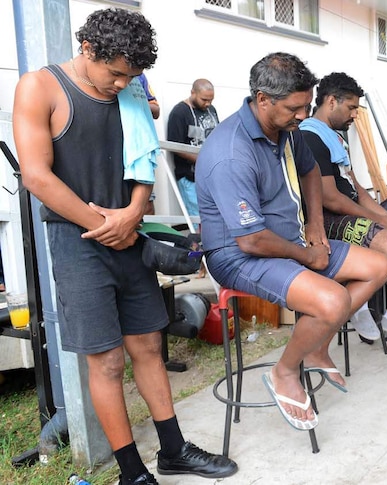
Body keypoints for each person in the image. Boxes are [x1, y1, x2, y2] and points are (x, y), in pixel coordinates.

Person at [12, 9, 237, 484]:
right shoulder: (41, 87)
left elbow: (143, 156)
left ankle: (173, 450)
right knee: (108, 359)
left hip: (129, 234)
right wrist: (106, 224)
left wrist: (135, 212)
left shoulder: (131, 91)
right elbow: (35, 175)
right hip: (77, 242)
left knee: (148, 346)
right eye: (115, 73)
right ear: (88, 49)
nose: (122, 84)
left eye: (130, 76)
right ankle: (132, 473)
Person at [196, 53, 387, 428]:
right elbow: (251, 240)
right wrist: (307, 255)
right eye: (294, 108)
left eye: (306, 105)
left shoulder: (287, 130)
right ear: (262, 98)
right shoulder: (231, 153)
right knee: (332, 301)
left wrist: (316, 226)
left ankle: (315, 347)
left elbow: (312, 171)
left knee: (378, 265)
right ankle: (284, 371)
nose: (303, 115)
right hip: (239, 255)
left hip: (292, 241)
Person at [300, 72, 387, 344]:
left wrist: (386, 216)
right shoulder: (310, 138)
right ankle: (354, 304)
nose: (355, 115)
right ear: (331, 101)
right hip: (328, 220)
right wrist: (377, 220)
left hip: (349, 213)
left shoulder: (334, 138)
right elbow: (331, 198)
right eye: (352, 107)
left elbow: (356, 189)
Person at [166, 79, 219, 223]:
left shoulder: (211, 110)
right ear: (193, 93)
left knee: (215, 218)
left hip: (212, 176)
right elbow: (174, 146)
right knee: (198, 219)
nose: (207, 103)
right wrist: (202, 160)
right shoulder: (179, 112)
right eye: (204, 99)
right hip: (190, 177)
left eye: (211, 100)